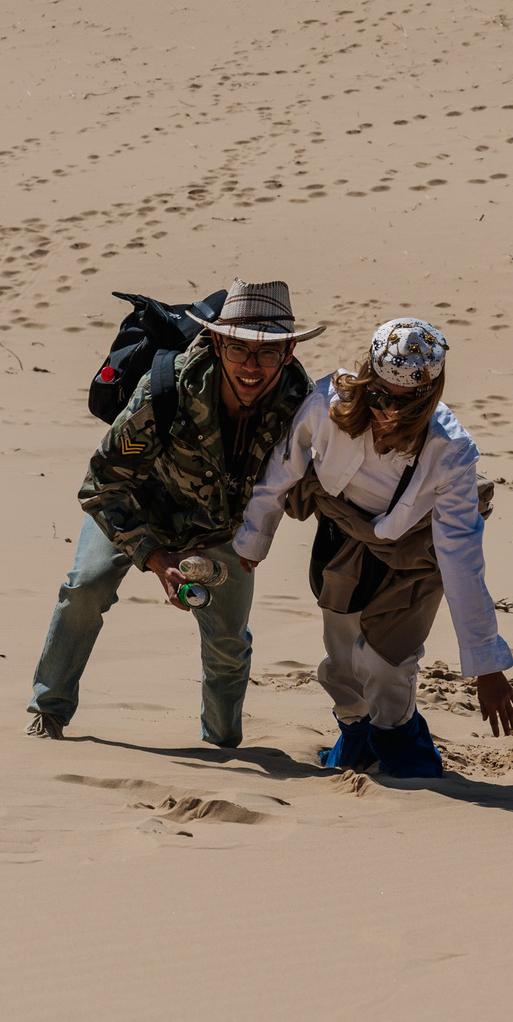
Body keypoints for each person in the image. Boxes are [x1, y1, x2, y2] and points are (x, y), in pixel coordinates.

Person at [26, 279, 320, 748]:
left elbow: (308, 486)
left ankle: (222, 745)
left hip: (221, 529)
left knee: (227, 643)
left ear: (287, 354)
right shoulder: (166, 390)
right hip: (136, 508)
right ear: (219, 342)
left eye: (267, 353)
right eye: (240, 349)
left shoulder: (301, 404)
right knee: (84, 587)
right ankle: (48, 711)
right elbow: (103, 484)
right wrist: (156, 559)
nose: (251, 366)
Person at [237, 317, 513, 777]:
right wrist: (255, 536)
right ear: (367, 380)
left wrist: (486, 666)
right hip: (342, 533)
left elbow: (462, 560)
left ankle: (403, 746)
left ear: (428, 396)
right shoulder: (328, 400)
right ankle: (356, 734)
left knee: (384, 660)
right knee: (343, 653)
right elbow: (284, 466)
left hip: (415, 552)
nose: (388, 411)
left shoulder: (452, 452)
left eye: (404, 404)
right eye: (377, 395)